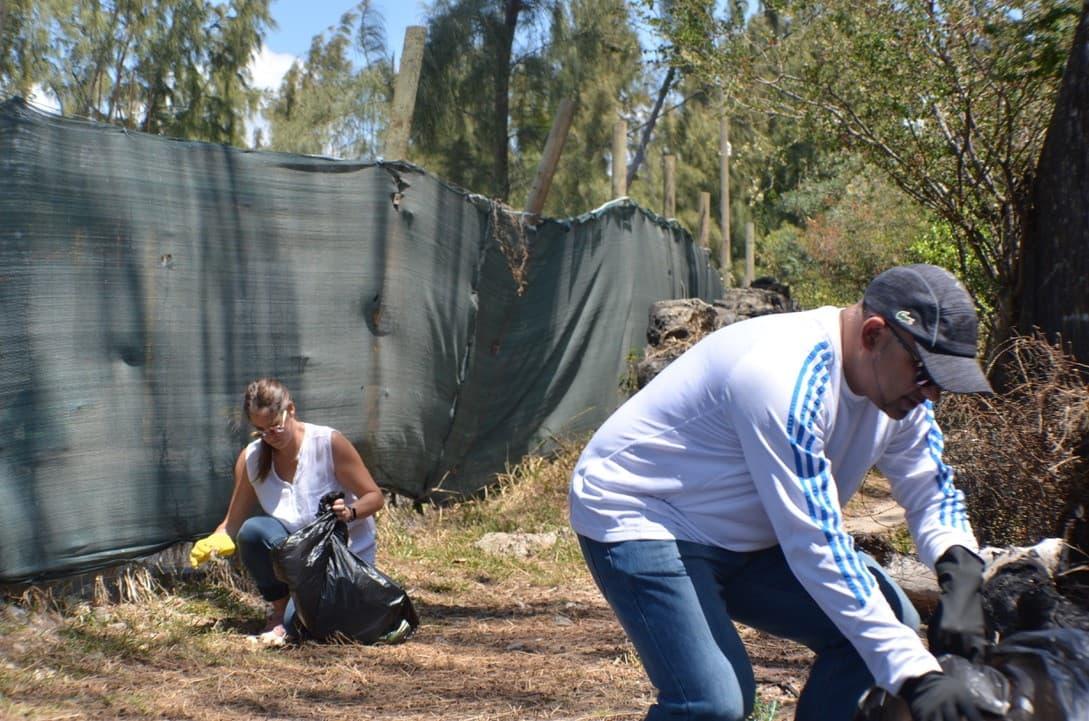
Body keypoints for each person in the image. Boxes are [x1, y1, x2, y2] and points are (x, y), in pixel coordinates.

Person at [569, 264, 994, 721]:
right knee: (713, 703)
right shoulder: (783, 374)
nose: (930, 394)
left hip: (746, 530)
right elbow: (815, 544)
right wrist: (917, 678)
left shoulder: (901, 394)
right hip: (645, 513)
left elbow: (930, 489)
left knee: (888, 629)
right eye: (925, 372)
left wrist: (961, 570)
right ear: (874, 334)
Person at [189, 378, 386, 645]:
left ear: (291, 409)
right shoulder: (252, 458)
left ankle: (298, 617)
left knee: (307, 629)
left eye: (275, 427)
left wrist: (350, 512)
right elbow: (234, 522)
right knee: (253, 531)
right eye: (261, 431)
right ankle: (280, 611)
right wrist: (219, 537)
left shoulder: (328, 443)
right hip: (298, 558)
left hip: (340, 560)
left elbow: (374, 497)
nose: (271, 436)